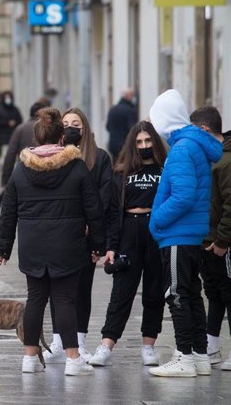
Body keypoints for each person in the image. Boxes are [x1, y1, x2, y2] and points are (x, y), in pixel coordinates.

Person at [0, 107, 104, 376]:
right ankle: (73, 359)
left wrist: (3, 248)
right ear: (60, 138)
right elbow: (95, 210)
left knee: (35, 300)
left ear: (37, 137)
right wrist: (97, 246)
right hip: (68, 246)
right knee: (65, 301)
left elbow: (8, 212)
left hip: (32, 247)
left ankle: (30, 358)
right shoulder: (76, 167)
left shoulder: (22, 170)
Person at [147, 89, 223, 377]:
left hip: (178, 234)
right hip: (190, 234)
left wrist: (156, 221)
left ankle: (184, 357)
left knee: (177, 294)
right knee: (191, 295)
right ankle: (200, 355)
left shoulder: (181, 149)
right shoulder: (193, 145)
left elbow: (182, 196)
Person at [88, 121, 167, 367]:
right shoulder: (121, 173)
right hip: (129, 230)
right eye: (139, 142)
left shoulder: (165, 169)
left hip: (156, 230)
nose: (144, 146)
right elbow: (113, 212)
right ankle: (106, 344)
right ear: (133, 145)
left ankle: (148, 346)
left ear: (154, 142)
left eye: (147, 141)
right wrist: (111, 246)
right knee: (121, 292)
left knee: (154, 292)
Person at [44, 107, 112, 363]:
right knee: (57, 287)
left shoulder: (100, 158)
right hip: (60, 234)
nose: (71, 127)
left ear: (85, 127)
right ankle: (58, 340)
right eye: (66, 123)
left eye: (76, 123)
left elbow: (104, 197)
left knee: (82, 287)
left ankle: (80, 340)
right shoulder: (54, 156)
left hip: (85, 235)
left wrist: (92, 227)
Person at [190, 106, 231, 370]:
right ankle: (211, 347)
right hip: (207, 240)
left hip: (221, 243)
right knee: (214, 294)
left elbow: (230, 203)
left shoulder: (225, 160)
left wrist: (222, 241)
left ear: (204, 130)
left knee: (228, 294)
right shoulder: (209, 158)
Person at [1, 101, 47, 188]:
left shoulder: (20, 129)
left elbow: (10, 155)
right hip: (46, 172)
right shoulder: (49, 129)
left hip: (24, 173)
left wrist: (5, 180)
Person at [106, 88, 137, 159]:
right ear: (128, 96)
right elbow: (132, 130)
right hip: (125, 145)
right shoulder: (131, 110)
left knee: (116, 166)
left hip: (113, 145)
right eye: (133, 95)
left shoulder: (113, 109)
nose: (134, 98)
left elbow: (107, 126)